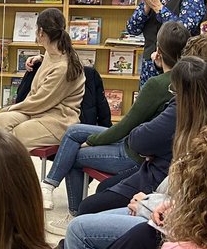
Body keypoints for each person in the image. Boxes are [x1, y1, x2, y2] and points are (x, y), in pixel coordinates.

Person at [62, 34, 207, 249]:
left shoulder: (187, 104)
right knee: (96, 177)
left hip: (157, 183)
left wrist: (149, 203)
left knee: (86, 209)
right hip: (162, 184)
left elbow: (139, 137)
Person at [40, 21, 189, 214]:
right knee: (73, 131)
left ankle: (74, 213)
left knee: (73, 155)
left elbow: (126, 125)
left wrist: (93, 141)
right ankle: (49, 184)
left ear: (158, 50)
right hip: (150, 146)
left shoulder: (157, 84)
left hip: (133, 150)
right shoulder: (186, 80)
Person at [0, 8, 85, 150]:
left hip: (57, 121)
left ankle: (7, 171)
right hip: (38, 112)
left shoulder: (63, 67)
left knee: (11, 139)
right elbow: (52, 65)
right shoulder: (52, 52)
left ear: (41, 32)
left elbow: (39, 102)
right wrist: (40, 58)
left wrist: (8, 108)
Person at [124, 0, 207, 86]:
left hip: (179, 69)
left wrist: (158, 7)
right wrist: (145, 8)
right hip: (150, 67)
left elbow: (183, 30)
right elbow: (132, 29)